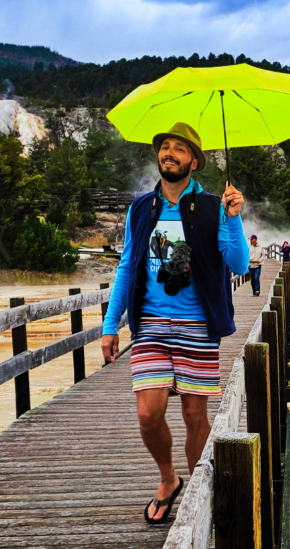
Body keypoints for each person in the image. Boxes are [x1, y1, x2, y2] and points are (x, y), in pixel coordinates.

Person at [100, 122, 249, 524]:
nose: (170, 153)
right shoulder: (141, 208)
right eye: (165, 147)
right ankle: (168, 478)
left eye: (179, 149)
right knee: (148, 413)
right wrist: (110, 324)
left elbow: (238, 264)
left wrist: (233, 218)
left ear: (194, 161)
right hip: (149, 326)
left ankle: (202, 492)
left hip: (197, 326)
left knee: (194, 416)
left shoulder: (216, 206)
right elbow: (128, 266)